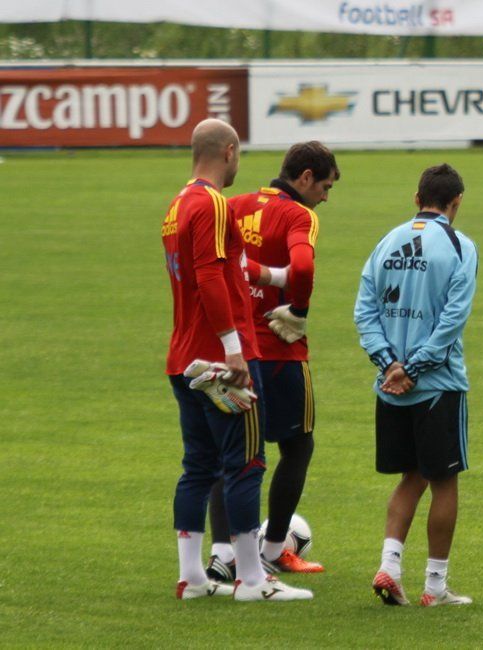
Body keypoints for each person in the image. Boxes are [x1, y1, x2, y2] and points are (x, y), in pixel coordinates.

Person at [162, 118, 311, 601]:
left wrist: (282, 278)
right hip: (220, 359)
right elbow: (210, 277)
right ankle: (251, 579)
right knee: (246, 463)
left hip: (183, 355)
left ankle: (192, 577)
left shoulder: (178, 204)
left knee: (198, 467)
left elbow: (233, 267)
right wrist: (233, 348)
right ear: (229, 151)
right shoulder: (213, 204)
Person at [204, 142, 339, 582]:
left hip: (234, 348)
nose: (325, 197)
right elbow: (303, 265)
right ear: (305, 177)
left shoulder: (234, 205)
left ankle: (223, 554)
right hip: (280, 351)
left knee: (232, 451)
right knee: (298, 446)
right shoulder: (299, 215)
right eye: (325, 186)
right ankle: (275, 549)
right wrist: (298, 310)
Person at [354, 163, 478, 607]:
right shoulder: (460, 246)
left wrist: (389, 365)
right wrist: (414, 368)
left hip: (390, 387)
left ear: (417, 198)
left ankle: (389, 567)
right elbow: (452, 319)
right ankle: (435, 586)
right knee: (444, 482)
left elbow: (364, 311)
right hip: (436, 386)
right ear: (456, 202)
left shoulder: (386, 241)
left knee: (412, 477)